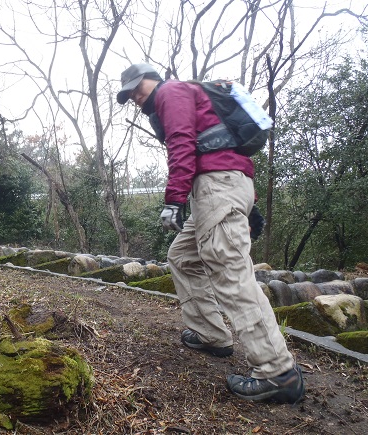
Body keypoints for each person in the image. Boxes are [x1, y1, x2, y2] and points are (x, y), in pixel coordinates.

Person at [116, 63, 304, 404]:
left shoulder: (170, 91)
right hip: (221, 188)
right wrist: (250, 206)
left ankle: (277, 372)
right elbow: (221, 149)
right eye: (130, 95)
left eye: (137, 87)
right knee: (183, 256)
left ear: (153, 78)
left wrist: (173, 200)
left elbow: (183, 143)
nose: (135, 97)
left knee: (232, 276)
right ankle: (211, 334)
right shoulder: (187, 95)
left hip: (217, 190)